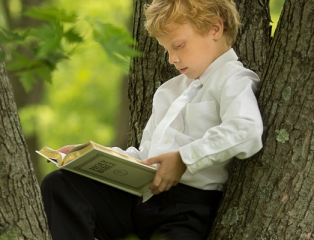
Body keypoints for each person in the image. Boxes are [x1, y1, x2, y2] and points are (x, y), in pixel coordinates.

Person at [40, 0, 263, 239]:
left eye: (178, 45)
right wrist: (92, 156)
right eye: (167, 49)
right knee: (61, 184)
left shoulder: (234, 79)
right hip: (138, 199)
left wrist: (184, 159)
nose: (171, 58)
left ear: (214, 29)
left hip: (185, 211)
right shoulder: (169, 91)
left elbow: (246, 130)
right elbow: (146, 156)